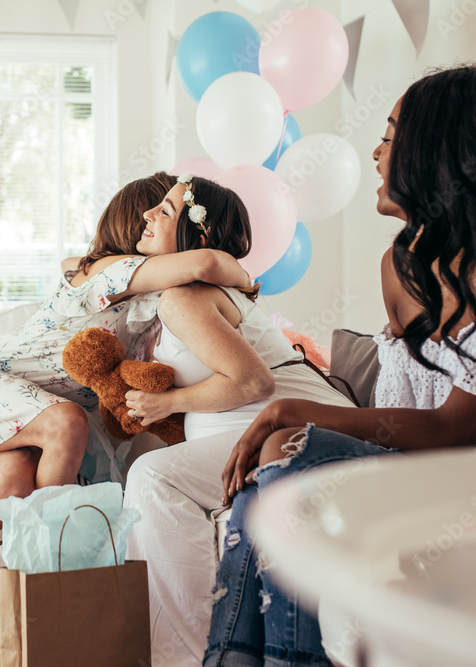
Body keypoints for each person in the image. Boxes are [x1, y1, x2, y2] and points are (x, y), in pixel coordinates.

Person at [205, 64, 476, 667]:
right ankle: (230, 657)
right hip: (404, 472)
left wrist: (294, 410)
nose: (376, 151)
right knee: (276, 466)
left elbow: (455, 432)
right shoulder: (401, 264)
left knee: (289, 448)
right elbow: (397, 418)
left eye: (391, 135)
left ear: (444, 155)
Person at [0, 173, 256, 546]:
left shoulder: (160, 303)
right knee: (66, 423)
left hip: (33, 410)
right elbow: (206, 264)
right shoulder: (107, 270)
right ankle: (42, 575)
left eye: (164, 213)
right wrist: (246, 279)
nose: (150, 218)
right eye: (149, 212)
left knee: (11, 490)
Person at [121, 185, 355, 666]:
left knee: (153, 476)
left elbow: (252, 382)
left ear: (192, 234)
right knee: (154, 473)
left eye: (164, 210)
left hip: (292, 428)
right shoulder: (189, 295)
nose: (147, 215)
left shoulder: (184, 298)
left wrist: (168, 404)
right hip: (265, 427)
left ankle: (194, 654)